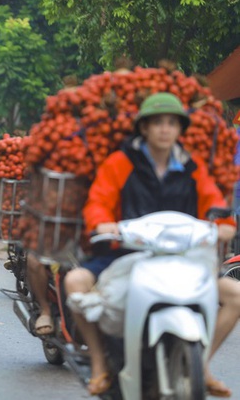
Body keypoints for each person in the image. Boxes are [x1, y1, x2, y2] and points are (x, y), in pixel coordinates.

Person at [63, 92, 240, 397]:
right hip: (125, 252)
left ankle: (203, 365)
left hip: (181, 256)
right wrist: (103, 223)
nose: (164, 129)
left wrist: (224, 226)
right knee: (75, 281)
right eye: (157, 122)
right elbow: (98, 202)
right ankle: (99, 364)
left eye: (171, 123)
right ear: (144, 127)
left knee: (235, 295)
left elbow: (214, 203)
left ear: (179, 129)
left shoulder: (192, 166)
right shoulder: (120, 162)